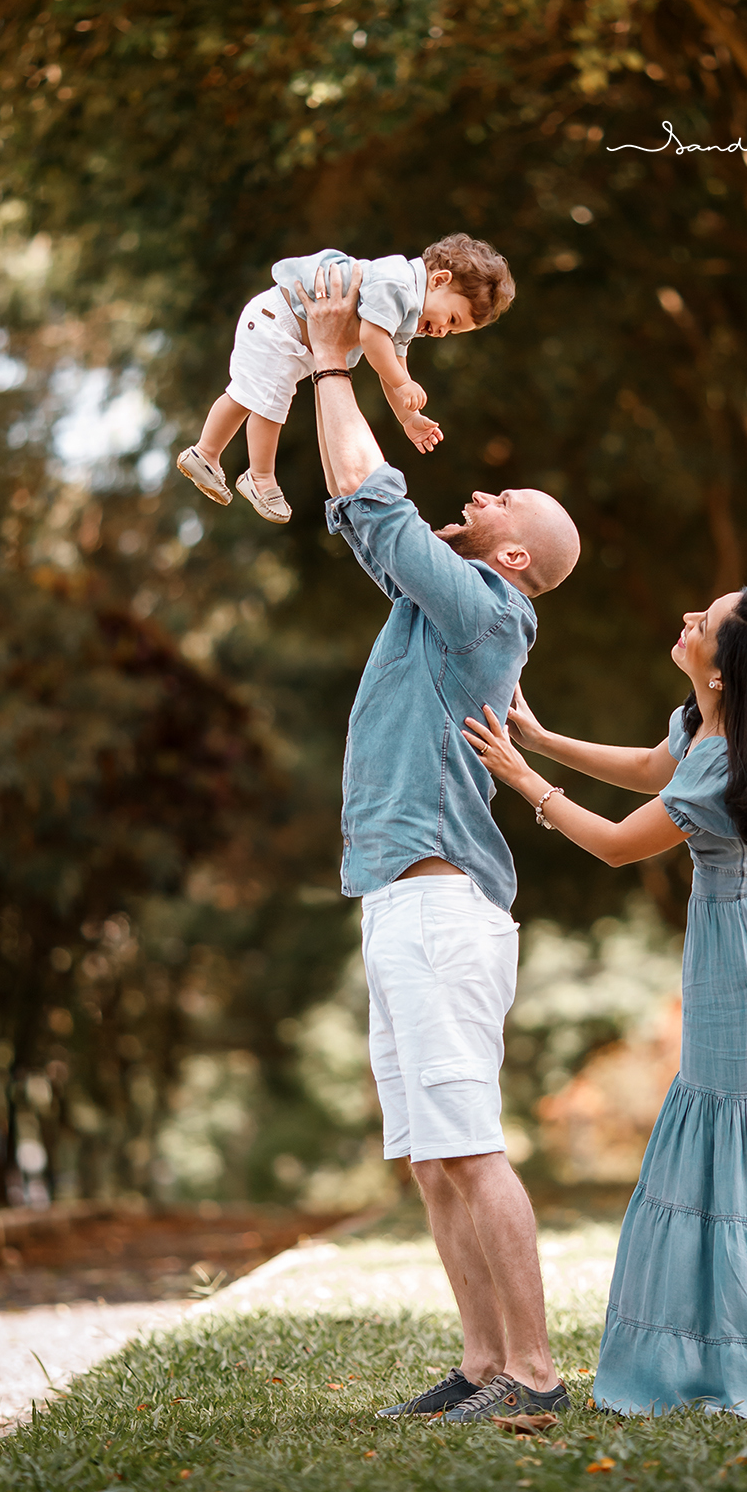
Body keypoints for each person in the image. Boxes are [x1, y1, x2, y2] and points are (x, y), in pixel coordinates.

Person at [464, 586, 747, 1425]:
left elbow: (613, 845)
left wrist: (524, 779)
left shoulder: (726, 759)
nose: (685, 623)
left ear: (727, 664)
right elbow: (648, 766)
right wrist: (543, 737)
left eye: (702, 624)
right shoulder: (712, 732)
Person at [299, 259, 581, 1425]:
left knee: (468, 1148)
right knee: (428, 1158)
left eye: (506, 505)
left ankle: (537, 1374)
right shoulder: (437, 601)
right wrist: (345, 374)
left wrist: (329, 359)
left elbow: (377, 497)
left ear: (513, 559)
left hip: (442, 907)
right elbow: (364, 513)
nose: (488, 493)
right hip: (400, 904)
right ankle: (479, 1363)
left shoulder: (486, 607)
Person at [176, 233, 514, 524]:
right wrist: (403, 384)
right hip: (277, 322)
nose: (443, 331)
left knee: (247, 396)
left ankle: (205, 453)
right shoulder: (397, 284)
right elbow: (372, 340)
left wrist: (408, 417)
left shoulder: (407, 308)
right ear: (439, 280)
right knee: (269, 401)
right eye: (451, 319)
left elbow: (393, 361)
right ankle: (260, 477)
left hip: (290, 334)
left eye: (453, 332)